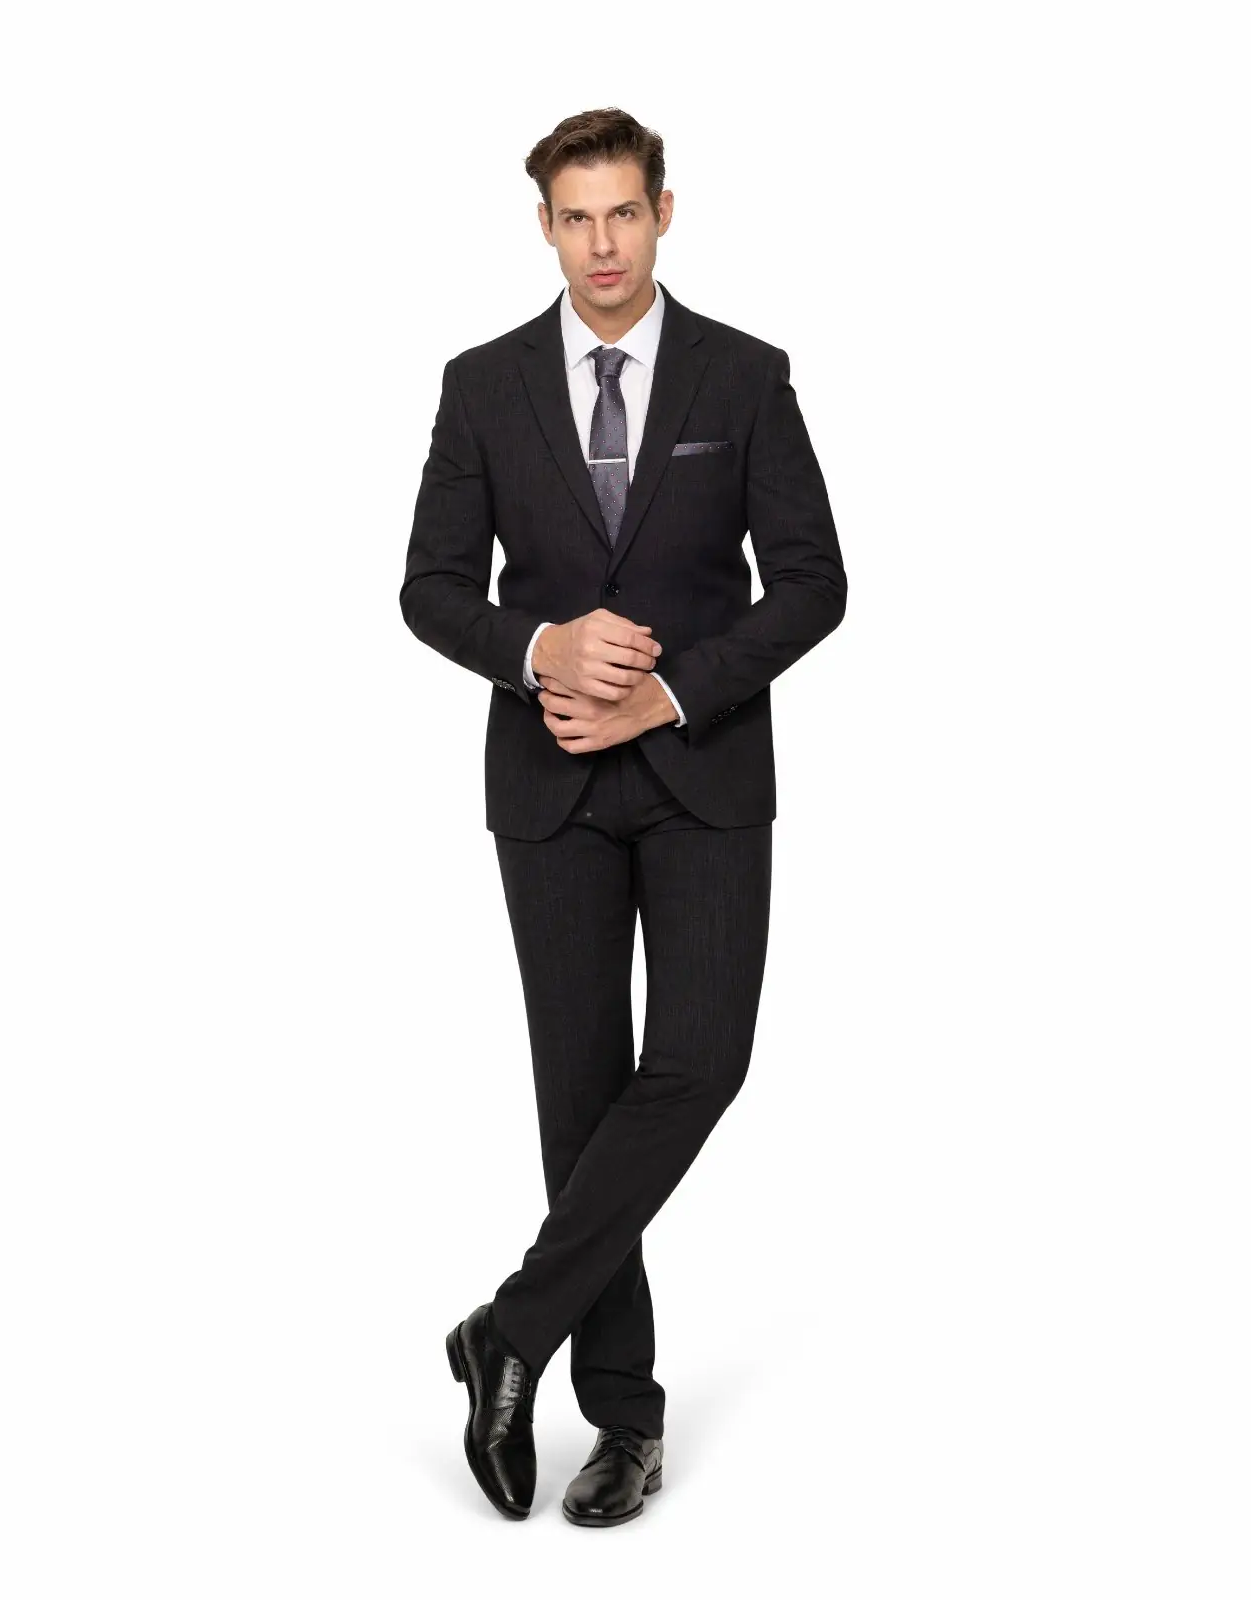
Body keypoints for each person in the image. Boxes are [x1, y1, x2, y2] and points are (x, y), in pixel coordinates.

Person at [401, 106, 847, 1527]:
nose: (602, 244)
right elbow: (429, 589)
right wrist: (541, 649)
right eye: (575, 217)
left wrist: (669, 694)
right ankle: (625, 1423)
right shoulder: (483, 385)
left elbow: (815, 582)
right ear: (545, 226)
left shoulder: (745, 374)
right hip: (548, 788)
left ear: (665, 212)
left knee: (702, 1060)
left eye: (624, 213)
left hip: (704, 775)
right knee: (582, 1103)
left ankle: (510, 1329)